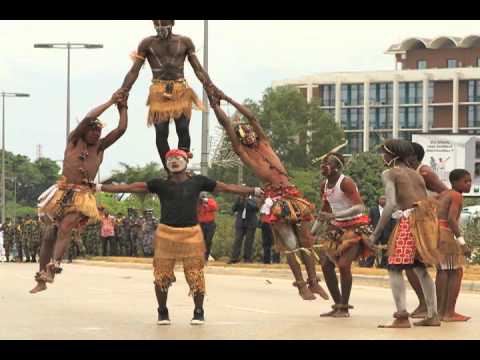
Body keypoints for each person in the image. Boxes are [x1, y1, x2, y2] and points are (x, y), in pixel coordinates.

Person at [97, 148, 263, 325]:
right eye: (170, 159)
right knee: (161, 276)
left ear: (185, 162)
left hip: (191, 234)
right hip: (166, 234)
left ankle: (198, 311)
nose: (174, 161)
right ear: (167, 165)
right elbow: (130, 186)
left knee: (195, 275)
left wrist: (254, 190)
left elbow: (226, 187)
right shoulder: (159, 184)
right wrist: (99, 187)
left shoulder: (198, 181)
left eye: (178, 158)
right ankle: (162, 311)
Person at [209, 94, 328, 301]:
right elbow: (228, 125)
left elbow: (253, 117)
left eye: (249, 131)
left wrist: (229, 99)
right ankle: (301, 285)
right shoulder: (243, 153)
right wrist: (216, 107)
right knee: (291, 245)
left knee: (306, 241)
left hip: (292, 195)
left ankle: (313, 282)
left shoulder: (264, 142)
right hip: (275, 200)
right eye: (243, 133)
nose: (248, 134)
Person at [30, 90, 128, 294]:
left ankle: (54, 265)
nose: (96, 134)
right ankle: (41, 277)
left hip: (82, 195)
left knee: (66, 226)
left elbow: (121, 130)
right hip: (61, 192)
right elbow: (89, 117)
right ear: (84, 131)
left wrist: (123, 109)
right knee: (49, 235)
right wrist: (110, 101)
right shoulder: (74, 141)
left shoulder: (100, 148)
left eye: (98, 132)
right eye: (92, 131)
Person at [119, 20, 222, 170]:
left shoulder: (184, 42)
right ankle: (170, 170)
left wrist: (211, 87)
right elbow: (134, 70)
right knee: (161, 132)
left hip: (180, 90)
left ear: (172, 23)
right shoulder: (147, 44)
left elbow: (198, 68)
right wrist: (124, 90)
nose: (160, 27)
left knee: (183, 128)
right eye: (157, 24)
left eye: (164, 23)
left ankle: (182, 167)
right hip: (159, 91)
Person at [373, 139, 442, 328]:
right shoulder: (416, 174)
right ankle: (433, 315)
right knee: (421, 268)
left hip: (408, 222)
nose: (382, 157)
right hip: (425, 222)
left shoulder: (389, 173)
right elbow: (426, 198)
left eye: (384, 153)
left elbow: (391, 203)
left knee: (394, 267)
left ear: (392, 155)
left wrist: (376, 233)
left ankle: (402, 316)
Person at [312, 152, 374, 317]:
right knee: (326, 265)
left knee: (344, 265)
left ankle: (344, 307)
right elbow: (324, 209)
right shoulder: (324, 185)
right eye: (323, 164)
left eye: (327, 164)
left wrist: (334, 216)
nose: (323, 167)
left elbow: (360, 207)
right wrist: (312, 232)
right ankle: (338, 304)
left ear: (337, 167)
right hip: (335, 228)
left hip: (354, 227)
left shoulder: (346, 182)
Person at [405, 142, 449, 318]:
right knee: (409, 264)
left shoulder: (425, 172)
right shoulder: (408, 172)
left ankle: (435, 307)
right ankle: (425, 304)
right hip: (414, 221)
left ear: (413, 157)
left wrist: (425, 204)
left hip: (429, 223)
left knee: (435, 265)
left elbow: (446, 192)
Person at [436, 169, 472, 322]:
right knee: (456, 272)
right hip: (446, 233)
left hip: (436, 233)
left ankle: (441, 312)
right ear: (455, 182)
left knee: (443, 271)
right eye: (466, 181)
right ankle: (449, 313)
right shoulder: (456, 195)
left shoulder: (445, 193)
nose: (469, 184)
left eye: (470, 181)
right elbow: (451, 219)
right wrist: (462, 243)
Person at [229, 193, 259, 264]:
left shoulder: (253, 199)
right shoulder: (239, 199)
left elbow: (256, 208)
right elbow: (233, 209)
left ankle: (247, 258)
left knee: (249, 241)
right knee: (237, 240)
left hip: (251, 223)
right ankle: (234, 258)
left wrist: (247, 201)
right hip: (240, 223)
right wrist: (238, 200)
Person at [368, 196, 396, 269]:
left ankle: (384, 264)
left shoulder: (391, 210)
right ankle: (368, 263)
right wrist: (370, 231)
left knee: (386, 249)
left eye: (385, 199)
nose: (383, 200)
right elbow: (369, 221)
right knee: (372, 247)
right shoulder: (373, 209)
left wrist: (392, 232)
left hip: (387, 232)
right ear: (378, 200)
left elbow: (394, 222)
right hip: (375, 233)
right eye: (381, 199)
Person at [197, 192, 218, 261]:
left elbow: (215, 207)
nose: (202, 198)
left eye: (204, 197)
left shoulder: (210, 201)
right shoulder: (197, 204)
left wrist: (207, 202)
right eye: (201, 197)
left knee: (208, 240)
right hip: (201, 224)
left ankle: (206, 256)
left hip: (210, 224)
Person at [259, 198, 280, 264]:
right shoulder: (264, 200)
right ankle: (266, 260)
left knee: (274, 242)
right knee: (266, 243)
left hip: (273, 222)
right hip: (265, 222)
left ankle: (275, 260)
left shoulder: (276, 200)